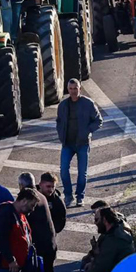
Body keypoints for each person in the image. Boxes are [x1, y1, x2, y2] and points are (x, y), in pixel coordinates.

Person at [72, 207, 135, 272]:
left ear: (104, 220)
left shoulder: (114, 239)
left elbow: (102, 266)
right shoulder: (112, 232)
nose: (95, 223)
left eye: (97, 219)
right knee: (85, 264)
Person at [56, 79, 103, 207]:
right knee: (64, 170)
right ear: (68, 89)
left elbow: (98, 120)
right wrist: (61, 134)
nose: (73, 91)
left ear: (80, 89)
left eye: (75, 88)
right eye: (71, 89)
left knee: (82, 172)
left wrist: (87, 131)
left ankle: (80, 196)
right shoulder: (63, 105)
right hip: (67, 143)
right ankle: (68, 195)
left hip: (83, 143)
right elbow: (59, 121)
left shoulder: (88, 103)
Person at [30, 173, 66, 272]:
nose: (50, 190)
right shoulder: (31, 196)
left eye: (52, 187)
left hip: (48, 245)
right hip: (32, 243)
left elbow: (61, 220)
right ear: (40, 185)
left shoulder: (57, 202)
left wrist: (50, 230)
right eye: (48, 186)